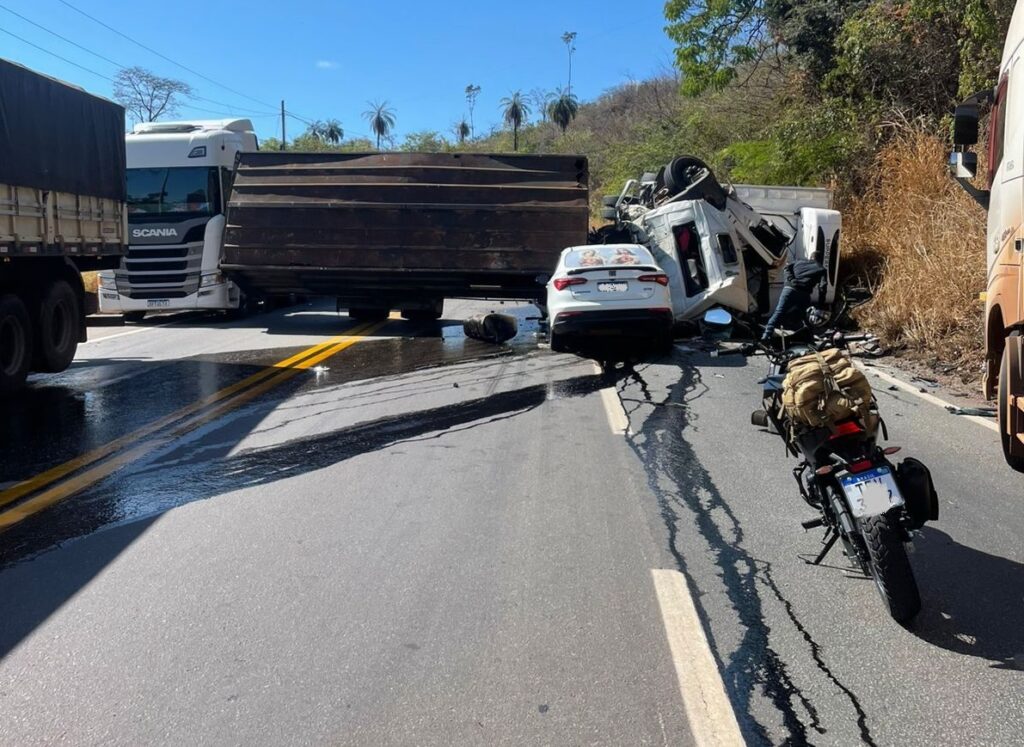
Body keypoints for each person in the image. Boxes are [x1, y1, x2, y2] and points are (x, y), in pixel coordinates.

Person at [761, 251, 826, 341]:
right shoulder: (821, 268)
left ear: (810, 257)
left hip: (789, 290)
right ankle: (809, 337)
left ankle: (766, 335)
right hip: (804, 294)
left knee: (779, 312)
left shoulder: (798, 261)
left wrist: (791, 280)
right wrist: (820, 305)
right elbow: (823, 287)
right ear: (820, 259)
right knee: (805, 316)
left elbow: (786, 268)